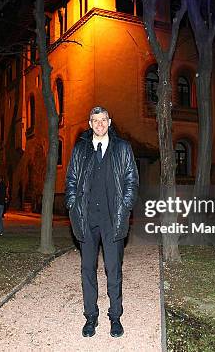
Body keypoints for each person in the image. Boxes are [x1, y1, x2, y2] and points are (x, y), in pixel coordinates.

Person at [65, 106, 139, 338]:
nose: (99, 124)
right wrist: (72, 203)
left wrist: (125, 205)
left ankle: (115, 317)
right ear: (90, 124)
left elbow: (131, 180)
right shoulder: (80, 150)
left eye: (103, 120)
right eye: (95, 121)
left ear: (110, 121)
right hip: (86, 220)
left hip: (112, 219)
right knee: (88, 269)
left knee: (113, 270)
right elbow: (71, 180)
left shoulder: (123, 148)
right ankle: (90, 317)